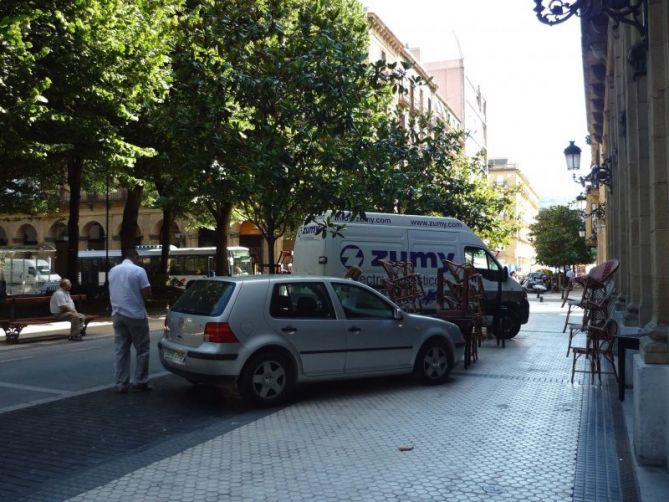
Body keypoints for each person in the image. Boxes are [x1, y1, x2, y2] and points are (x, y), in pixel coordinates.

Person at [109, 247, 152, 394]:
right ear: (134, 256)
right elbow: (146, 293)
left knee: (121, 349)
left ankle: (121, 383)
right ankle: (140, 381)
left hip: (117, 313)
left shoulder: (113, 271)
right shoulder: (139, 271)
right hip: (135, 314)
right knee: (142, 349)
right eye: (138, 258)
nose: (139, 260)